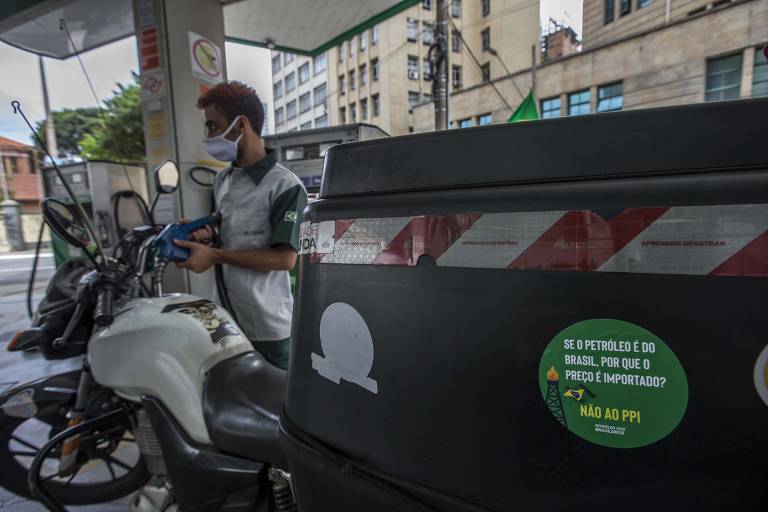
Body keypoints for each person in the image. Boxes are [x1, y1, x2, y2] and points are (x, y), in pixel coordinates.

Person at [173, 82, 307, 370]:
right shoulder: (223, 180)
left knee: (274, 405)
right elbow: (226, 232)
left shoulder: (284, 185)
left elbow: (284, 259)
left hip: (268, 327)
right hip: (224, 318)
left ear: (241, 125)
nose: (208, 136)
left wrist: (216, 256)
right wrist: (206, 236)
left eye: (213, 126)